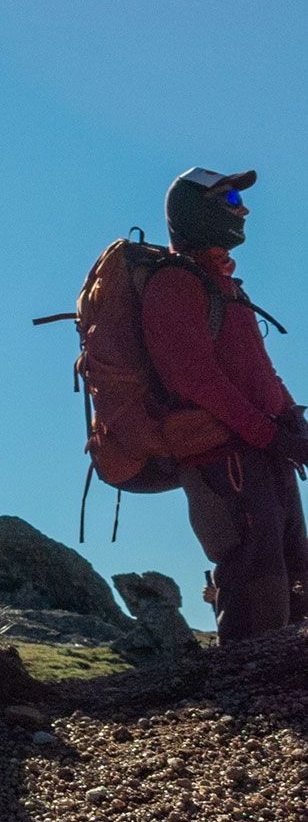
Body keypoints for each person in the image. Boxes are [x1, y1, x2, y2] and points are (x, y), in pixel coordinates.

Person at [145, 168, 308, 640]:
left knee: (290, 566)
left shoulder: (222, 285)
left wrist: (289, 423)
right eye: (230, 198)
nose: (243, 208)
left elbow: (258, 369)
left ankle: (279, 698)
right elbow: (193, 378)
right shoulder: (174, 283)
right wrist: (272, 435)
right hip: (223, 457)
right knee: (255, 570)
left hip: (264, 450)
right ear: (194, 209)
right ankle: (246, 698)